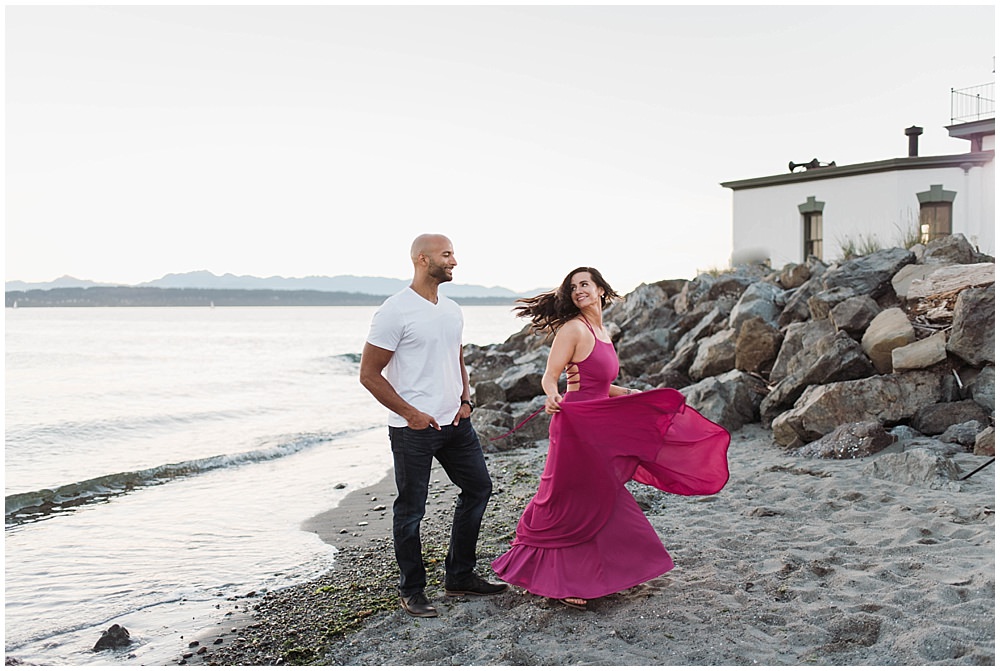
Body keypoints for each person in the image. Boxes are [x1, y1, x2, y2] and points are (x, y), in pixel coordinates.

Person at [491, 267, 731, 610]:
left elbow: (600, 384)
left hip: (599, 423)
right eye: (573, 288)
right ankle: (551, 576)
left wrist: (634, 394)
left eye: (585, 284)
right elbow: (550, 376)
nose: (579, 291)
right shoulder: (572, 329)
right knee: (565, 495)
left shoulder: (602, 331)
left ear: (601, 289)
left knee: (600, 495)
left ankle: (597, 572)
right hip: (574, 423)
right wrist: (550, 395)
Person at [359, 233, 507, 618]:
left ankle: (459, 576)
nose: (454, 261)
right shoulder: (395, 311)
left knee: (478, 488)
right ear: (422, 260)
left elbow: (456, 357)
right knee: (411, 510)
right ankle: (411, 589)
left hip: (456, 424)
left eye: (454, 253)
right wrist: (411, 414)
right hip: (414, 430)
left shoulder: (452, 308)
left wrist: (465, 400)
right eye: (447, 255)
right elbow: (369, 374)